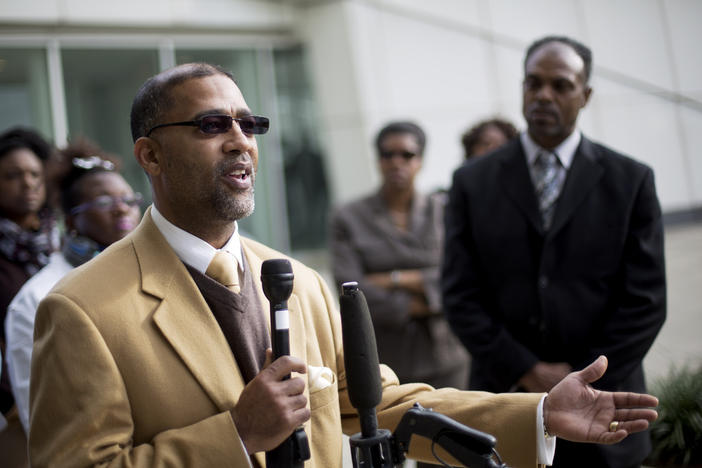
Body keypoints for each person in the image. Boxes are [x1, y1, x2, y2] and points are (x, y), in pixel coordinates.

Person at [29, 62, 658, 468]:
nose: (241, 139)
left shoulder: (298, 281)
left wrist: (539, 413)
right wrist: (236, 436)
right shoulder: (82, 310)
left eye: (249, 124)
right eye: (211, 124)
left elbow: (377, 404)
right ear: (151, 155)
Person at [442, 36, 666, 468]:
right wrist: (528, 368)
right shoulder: (472, 182)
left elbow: (646, 302)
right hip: (505, 405)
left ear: (586, 94)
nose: (543, 95)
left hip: (605, 411)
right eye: (534, 83)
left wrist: (583, 374)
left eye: (560, 85)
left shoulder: (630, 180)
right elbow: (459, 295)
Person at [5, 139, 142, 435]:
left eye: (129, 200)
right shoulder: (36, 299)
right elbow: (42, 419)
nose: (122, 210)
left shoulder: (154, 275)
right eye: (104, 202)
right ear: (72, 221)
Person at [330, 121, 469, 394]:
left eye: (407, 155)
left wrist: (392, 279)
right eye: (387, 154)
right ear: (378, 160)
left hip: (447, 358)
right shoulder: (348, 216)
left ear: (421, 160)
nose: (396, 163)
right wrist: (429, 298)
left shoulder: (445, 211)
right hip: (384, 362)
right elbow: (349, 289)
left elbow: (461, 278)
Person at [0, 127, 59, 467]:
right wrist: (9, 403)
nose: (28, 183)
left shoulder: (59, 242)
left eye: (35, 173)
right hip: (11, 410)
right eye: (13, 175)